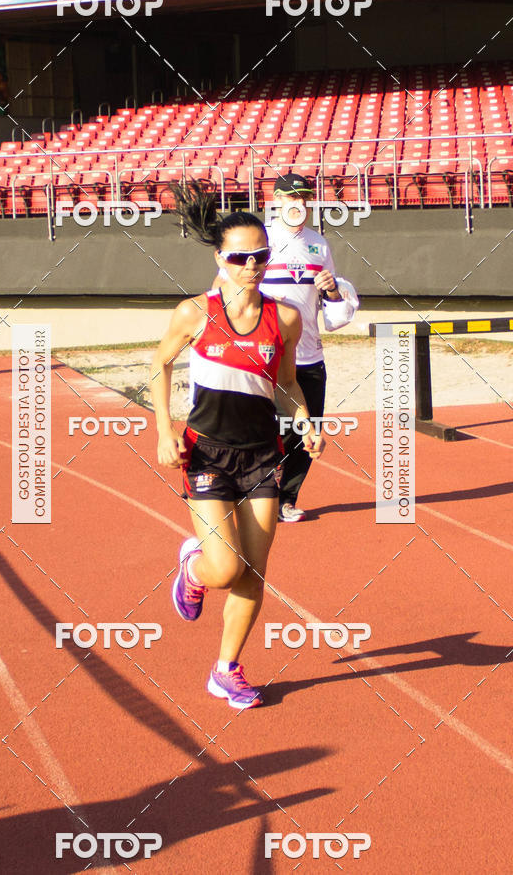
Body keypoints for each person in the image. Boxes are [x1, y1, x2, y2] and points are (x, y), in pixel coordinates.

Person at [150, 180, 324, 710]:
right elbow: (158, 364)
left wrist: (306, 422)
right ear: (220, 259)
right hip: (206, 452)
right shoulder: (194, 313)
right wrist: (163, 430)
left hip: (262, 456)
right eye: (240, 257)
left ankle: (226, 669)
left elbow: (287, 383)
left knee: (253, 570)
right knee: (225, 568)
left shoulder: (285, 318)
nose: (252, 265)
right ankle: (193, 567)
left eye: (261, 256)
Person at [215, 172, 359, 522]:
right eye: (291, 197)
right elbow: (223, 290)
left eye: (304, 198)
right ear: (276, 201)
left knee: (305, 432)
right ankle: (250, 495)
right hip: (264, 355)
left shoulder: (319, 244)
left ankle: (285, 499)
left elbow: (334, 310)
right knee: (262, 431)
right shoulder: (259, 240)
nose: (298, 204)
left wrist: (333, 289)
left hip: (308, 355)